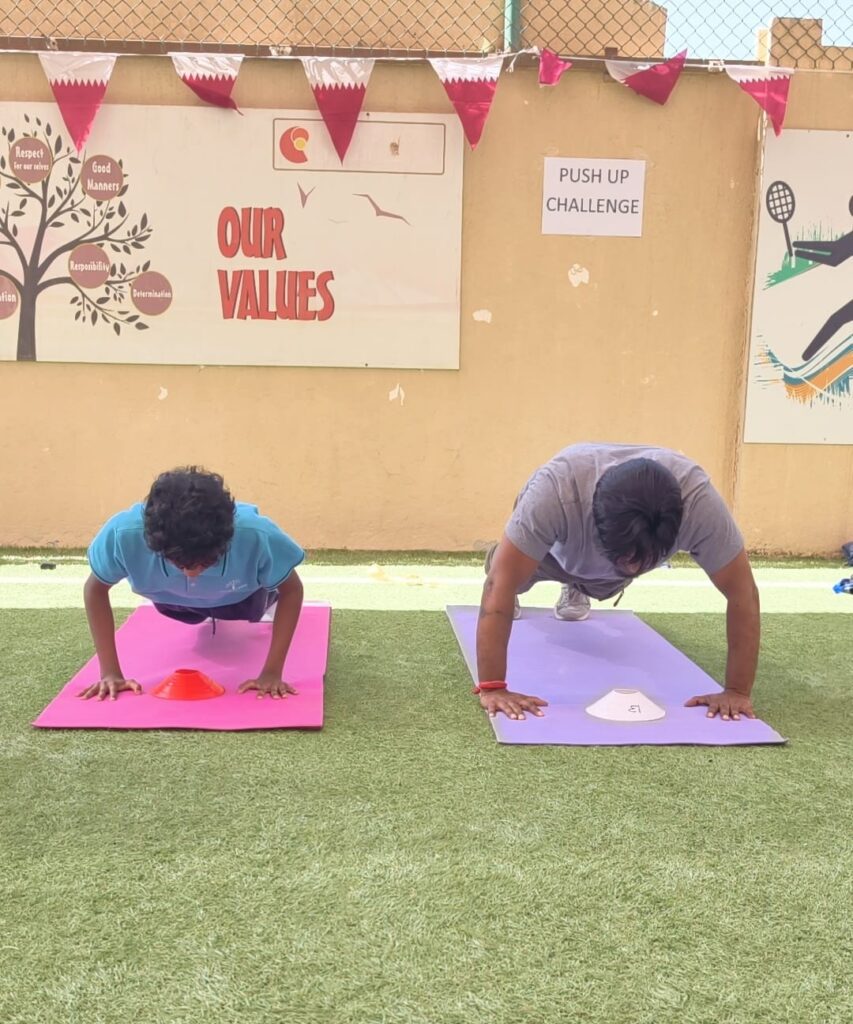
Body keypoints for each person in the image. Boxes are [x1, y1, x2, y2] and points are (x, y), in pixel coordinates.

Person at [476, 443, 760, 723]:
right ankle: (513, 561)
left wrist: (736, 691)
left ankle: (579, 586)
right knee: (508, 576)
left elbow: (743, 593)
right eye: (624, 556)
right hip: (556, 551)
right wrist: (494, 687)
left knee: (604, 583)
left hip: (603, 566)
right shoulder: (555, 493)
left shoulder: (700, 506)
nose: (633, 568)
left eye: (643, 560)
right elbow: (498, 585)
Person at [80, 466, 304, 701]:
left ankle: (256, 598)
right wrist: (110, 672)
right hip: (171, 604)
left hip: (242, 600)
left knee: (261, 598)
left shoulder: (257, 534)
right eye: (178, 563)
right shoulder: (122, 534)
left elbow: (292, 589)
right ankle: (195, 602)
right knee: (191, 612)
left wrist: (272, 671)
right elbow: (95, 590)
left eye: (206, 563)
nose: (191, 573)